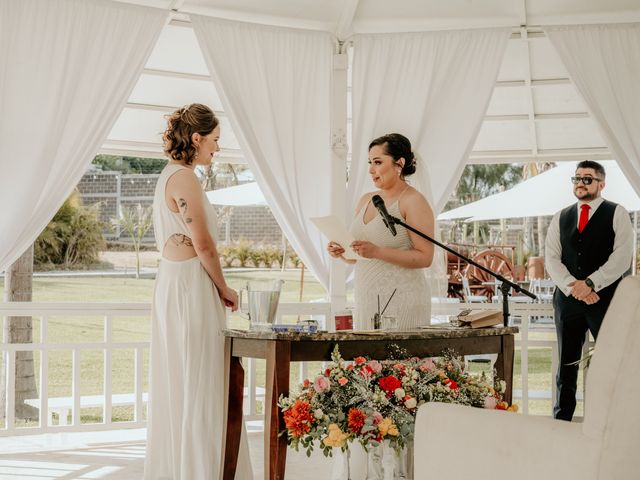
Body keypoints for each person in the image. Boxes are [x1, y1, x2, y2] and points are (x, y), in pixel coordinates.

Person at [144, 104, 253, 479]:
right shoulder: (186, 178)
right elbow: (203, 244)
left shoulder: (167, 176)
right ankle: (201, 468)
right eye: (216, 140)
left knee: (181, 375)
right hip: (191, 283)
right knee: (202, 375)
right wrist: (225, 287)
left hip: (173, 281)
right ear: (196, 138)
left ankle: (182, 466)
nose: (217, 148)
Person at [545, 160, 633, 421]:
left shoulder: (617, 213)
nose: (580, 183)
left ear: (601, 184)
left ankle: (607, 422)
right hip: (568, 301)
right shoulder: (561, 216)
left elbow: (622, 258)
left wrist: (591, 283)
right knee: (566, 365)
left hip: (605, 300)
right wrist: (575, 287)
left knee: (609, 363)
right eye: (577, 178)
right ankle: (562, 422)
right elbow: (552, 259)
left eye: (587, 179)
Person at [327, 133, 435, 330]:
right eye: (370, 162)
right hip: (366, 300)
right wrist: (343, 253)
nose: (371, 170)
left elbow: (425, 257)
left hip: (403, 302)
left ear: (399, 163)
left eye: (377, 162)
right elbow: (359, 256)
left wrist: (377, 251)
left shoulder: (413, 201)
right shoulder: (366, 199)